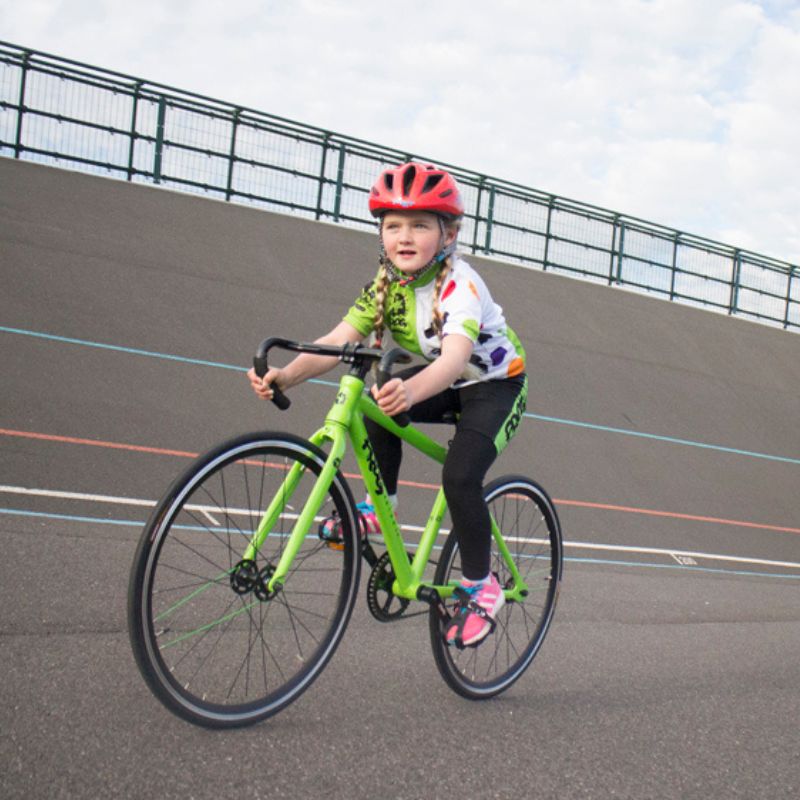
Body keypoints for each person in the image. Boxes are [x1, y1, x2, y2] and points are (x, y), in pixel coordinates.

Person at [247, 161, 527, 649]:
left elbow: (456, 357)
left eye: (420, 225)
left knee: (460, 476)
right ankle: (383, 508)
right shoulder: (386, 284)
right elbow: (337, 340)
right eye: (393, 225)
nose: (404, 235)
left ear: (448, 234)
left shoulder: (462, 284)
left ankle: (482, 586)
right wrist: (285, 374)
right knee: (376, 402)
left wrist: (411, 392)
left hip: (494, 385)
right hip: (448, 376)